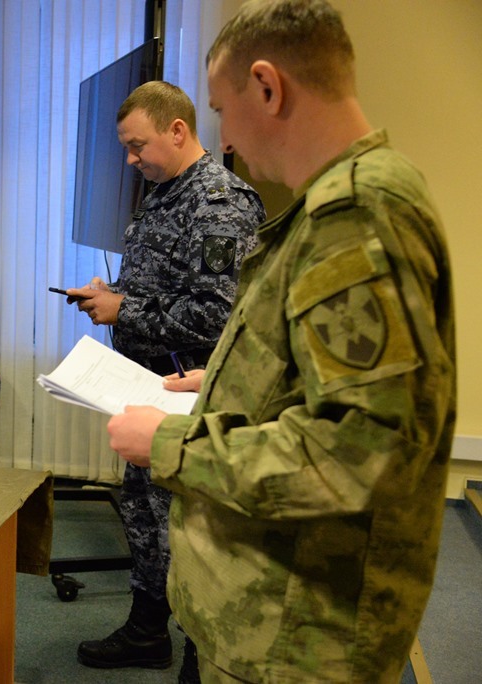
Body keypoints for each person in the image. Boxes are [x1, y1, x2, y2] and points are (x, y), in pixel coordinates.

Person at [106, 1, 455, 681]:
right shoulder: (337, 204)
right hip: (272, 614)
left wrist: (169, 444)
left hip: (299, 635)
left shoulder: (357, 216)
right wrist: (222, 377)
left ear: (267, 87)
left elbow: (354, 455)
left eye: (222, 109)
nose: (225, 137)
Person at [68, 81, 264, 676]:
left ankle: (202, 654)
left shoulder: (220, 204)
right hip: (147, 389)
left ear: (177, 131)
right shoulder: (163, 193)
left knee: (188, 533)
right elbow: (161, 286)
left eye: (137, 146)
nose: (131, 160)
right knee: (146, 517)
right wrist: (111, 294)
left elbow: (218, 316)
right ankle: (148, 629)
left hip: (190, 400)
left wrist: (124, 310)